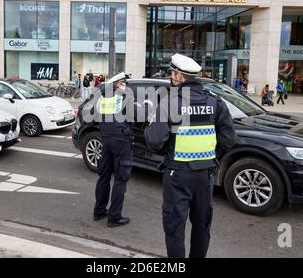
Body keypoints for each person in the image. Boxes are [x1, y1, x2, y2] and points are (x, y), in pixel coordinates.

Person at [144, 54, 237, 258]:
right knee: (202, 226)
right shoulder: (215, 102)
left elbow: (154, 141)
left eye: (172, 74)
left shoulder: (169, 103)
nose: (171, 77)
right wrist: (211, 157)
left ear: (178, 75)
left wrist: (154, 133)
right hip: (205, 176)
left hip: (177, 175)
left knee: (175, 228)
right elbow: (229, 139)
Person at [93, 72, 136, 227]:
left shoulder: (101, 97)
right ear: (118, 83)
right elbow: (134, 117)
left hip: (105, 139)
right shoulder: (125, 97)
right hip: (121, 141)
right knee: (120, 179)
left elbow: (94, 114)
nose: (127, 85)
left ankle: (99, 211)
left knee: (103, 176)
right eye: (124, 82)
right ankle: (114, 217)